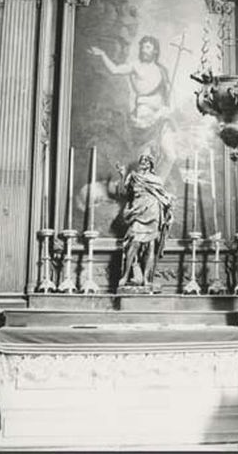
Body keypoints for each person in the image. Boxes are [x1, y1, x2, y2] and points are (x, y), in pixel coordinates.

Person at [88, 35, 178, 176]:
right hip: (144, 117)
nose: (143, 49)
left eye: (148, 47)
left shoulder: (161, 70)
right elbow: (115, 70)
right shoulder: (135, 66)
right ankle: (141, 188)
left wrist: (168, 108)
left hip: (162, 115)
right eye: (142, 46)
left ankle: (157, 186)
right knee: (145, 160)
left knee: (170, 156)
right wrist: (103, 55)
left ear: (155, 51)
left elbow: (169, 93)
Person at [114, 153, 174, 288]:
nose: (144, 162)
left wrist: (168, 201)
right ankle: (125, 275)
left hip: (153, 211)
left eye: (147, 160)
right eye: (142, 160)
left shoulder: (156, 179)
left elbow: (162, 195)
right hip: (137, 211)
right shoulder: (134, 176)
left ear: (151, 164)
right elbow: (123, 194)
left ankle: (147, 279)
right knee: (134, 243)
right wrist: (123, 175)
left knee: (150, 246)